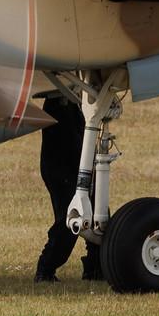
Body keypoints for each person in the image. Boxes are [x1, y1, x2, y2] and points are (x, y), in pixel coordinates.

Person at [33, 94, 102, 282]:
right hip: (60, 169)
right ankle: (45, 270)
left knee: (99, 215)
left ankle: (96, 268)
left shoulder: (74, 104)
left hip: (77, 167)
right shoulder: (58, 104)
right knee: (70, 220)